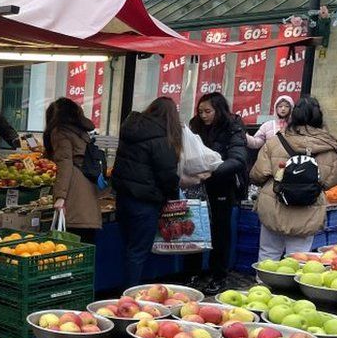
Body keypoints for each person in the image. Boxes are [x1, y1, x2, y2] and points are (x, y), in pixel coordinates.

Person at [251, 97, 337, 260]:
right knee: (297, 258)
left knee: (268, 254)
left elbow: (257, 175)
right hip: (307, 211)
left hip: (274, 205)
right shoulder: (329, 148)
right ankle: (290, 286)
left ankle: (264, 284)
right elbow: (330, 182)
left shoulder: (275, 141)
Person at [112, 97, 183, 287]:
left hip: (123, 198)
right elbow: (167, 175)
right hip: (145, 203)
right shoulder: (161, 138)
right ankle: (129, 297)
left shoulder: (130, 130)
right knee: (138, 252)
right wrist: (172, 196)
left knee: (128, 247)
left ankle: (126, 289)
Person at [188, 92, 249, 294]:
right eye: (200, 111)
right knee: (193, 228)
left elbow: (238, 159)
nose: (203, 115)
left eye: (208, 111)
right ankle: (193, 272)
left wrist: (213, 172)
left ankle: (219, 275)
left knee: (220, 231)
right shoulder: (194, 125)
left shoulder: (233, 126)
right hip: (197, 185)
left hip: (222, 185)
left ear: (219, 110)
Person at [43, 98, 102, 243]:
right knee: (85, 250)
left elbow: (65, 164)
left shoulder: (60, 132)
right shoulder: (81, 133)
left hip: (74, 199)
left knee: (68, 252)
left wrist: (60, 198)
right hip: (88, 200)